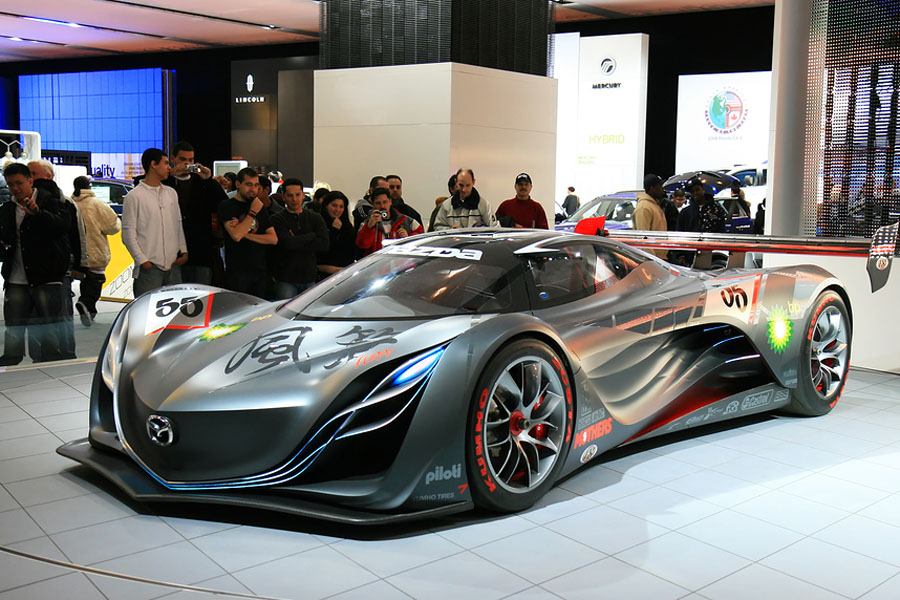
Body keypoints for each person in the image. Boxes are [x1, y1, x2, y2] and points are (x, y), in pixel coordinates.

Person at [0, 163, 72, 366]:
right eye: (10, 184)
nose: (15, 188)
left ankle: (51, 360)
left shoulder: (52, 202)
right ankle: (11, 360)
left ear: (30, 181)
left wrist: (38, 214)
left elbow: (63, 228)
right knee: (14, 325)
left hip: (46, 275)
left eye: (19, 183)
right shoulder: (7, 209)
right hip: (15, 276)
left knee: (49, 325)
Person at [122, 149, 189, 297]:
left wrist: (183, 251)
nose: (169, 168)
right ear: (153, 164)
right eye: (166, 163)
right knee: (148, 308)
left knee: (175, 307)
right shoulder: (134, 196)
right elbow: (128, 234)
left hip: (173, 265)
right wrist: (142, 261)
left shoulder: (171, 193)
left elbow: (178, 224)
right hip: (149, 267)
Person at [163, 141, 227, 286]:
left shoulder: (201, 182)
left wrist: (209, 180)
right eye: (182, 159)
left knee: (202, 291)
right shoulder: (166, 182)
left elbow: (222, 204)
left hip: (201, 249)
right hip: (173, 251)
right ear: (173, 159)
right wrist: (169, 177)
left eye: (191, 160)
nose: (187, 164)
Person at [217, 167, 277, 297]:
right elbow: (236, 236)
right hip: (237, 271)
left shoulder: (259, 206)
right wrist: (252, 213)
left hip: (260, 271)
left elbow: (273, 239)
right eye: (248, 184)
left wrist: (245, 233)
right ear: (238, 184)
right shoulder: (227, 206)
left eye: (256, 185)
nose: (253, 189)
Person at [72, 176, 120, 326]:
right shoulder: (97, 204)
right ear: (89, 187)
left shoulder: (71, 203)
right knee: (95, 280)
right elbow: (112, 226)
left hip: (75, 251)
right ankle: (86, 303)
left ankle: (88, 309)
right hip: (95, 249)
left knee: (85, 278)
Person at [270, 178, 329, 299]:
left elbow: (323, 244)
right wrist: (311, 235)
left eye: (297, 195)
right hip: (286, 278)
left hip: (309, 276)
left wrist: (296, 240)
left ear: (303, 195)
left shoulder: (315, 218)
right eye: (290, 195)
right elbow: (287, 243)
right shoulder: (277, 219)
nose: (294, 199)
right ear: (283, 196)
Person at [356, 187, 423, 255]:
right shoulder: (367, 223)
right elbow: (362, 245)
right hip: (377, 260)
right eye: (378, 203)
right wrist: (369, 227)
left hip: (399, 260)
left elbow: (422, 237)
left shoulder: (405, 220)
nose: (382, 206)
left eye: (385, 202)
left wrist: (408, 238)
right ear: (372, 205)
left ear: (390, 201)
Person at [317, 190, 357, 278]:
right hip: (323, 275)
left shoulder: (348, 227)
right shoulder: (318, 224)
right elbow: (322, 250)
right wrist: (334, 230)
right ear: (326, 206)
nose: (337, 210)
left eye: (341, 207)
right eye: (334, 205)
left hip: (344, 275)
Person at [632, 174, 669, 259]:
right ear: (652, 188)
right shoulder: (644, 208)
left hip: (659, 258)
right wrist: (652, 259)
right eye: (660, 186)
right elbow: (643, 237)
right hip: (653, 259)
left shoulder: (653, 205)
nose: (662, 188)